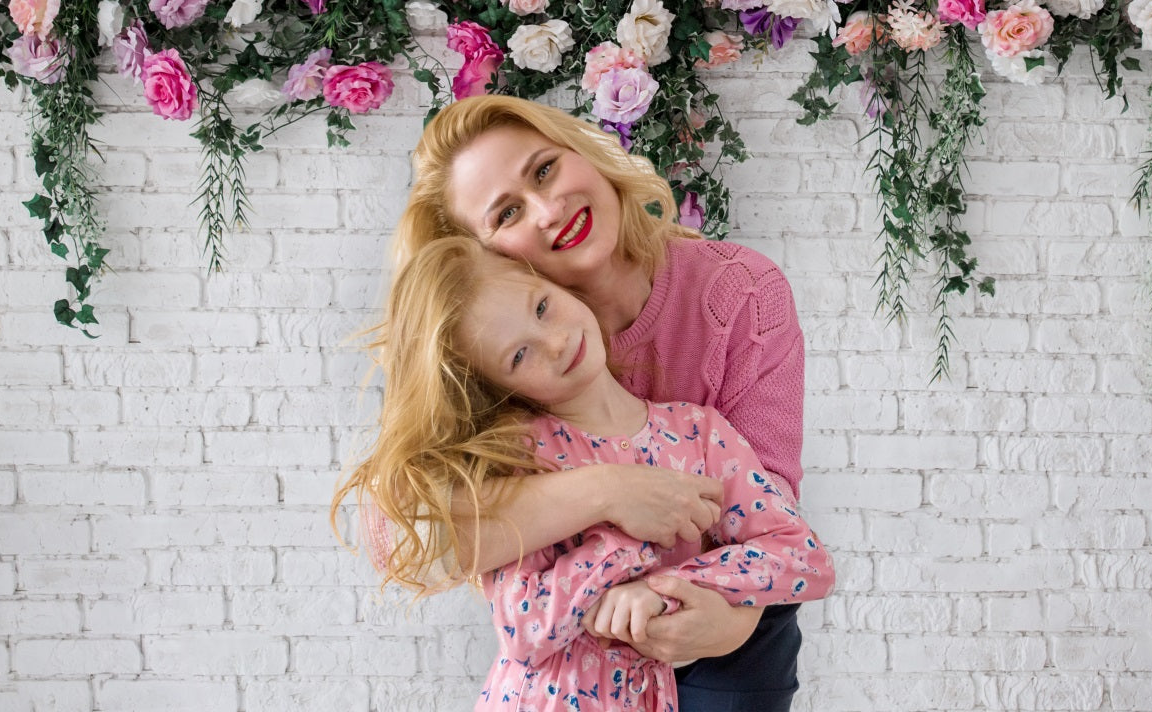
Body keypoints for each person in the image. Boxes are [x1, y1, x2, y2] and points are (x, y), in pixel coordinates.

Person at [390, 96, 810, 710]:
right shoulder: (493, 358)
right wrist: (610, 492)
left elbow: (772, 512)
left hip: (733, 605)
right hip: (587, 641)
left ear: (583, 150)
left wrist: (728, 624)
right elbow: (416, 532)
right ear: (484, 256)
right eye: (507, 213)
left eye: (544, 170)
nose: (548, 209)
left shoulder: (739, 291)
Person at [334, 237, 832, 710]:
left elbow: (800, 556)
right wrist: (616, 554)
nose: (553, 342)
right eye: (518, 355)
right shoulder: (520, 457)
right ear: (497, 385)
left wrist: (664, 591)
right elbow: (522, 628)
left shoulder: (701, 434)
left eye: (543, 307)